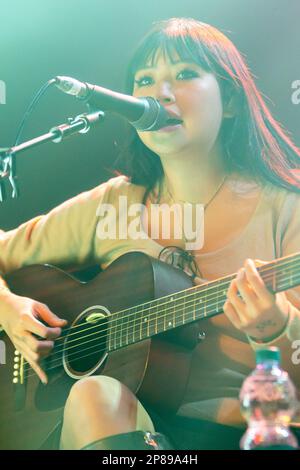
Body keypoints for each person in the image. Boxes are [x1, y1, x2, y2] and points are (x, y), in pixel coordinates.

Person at [1, 17, 300, 450]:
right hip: (127, 430)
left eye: (184, 74)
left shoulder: (287, 203)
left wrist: (277, 327)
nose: (157, 93)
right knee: (92, 392)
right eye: (144, 80)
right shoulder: (113, 204)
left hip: (240, 433)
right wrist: (9, 309)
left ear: (230, 100)